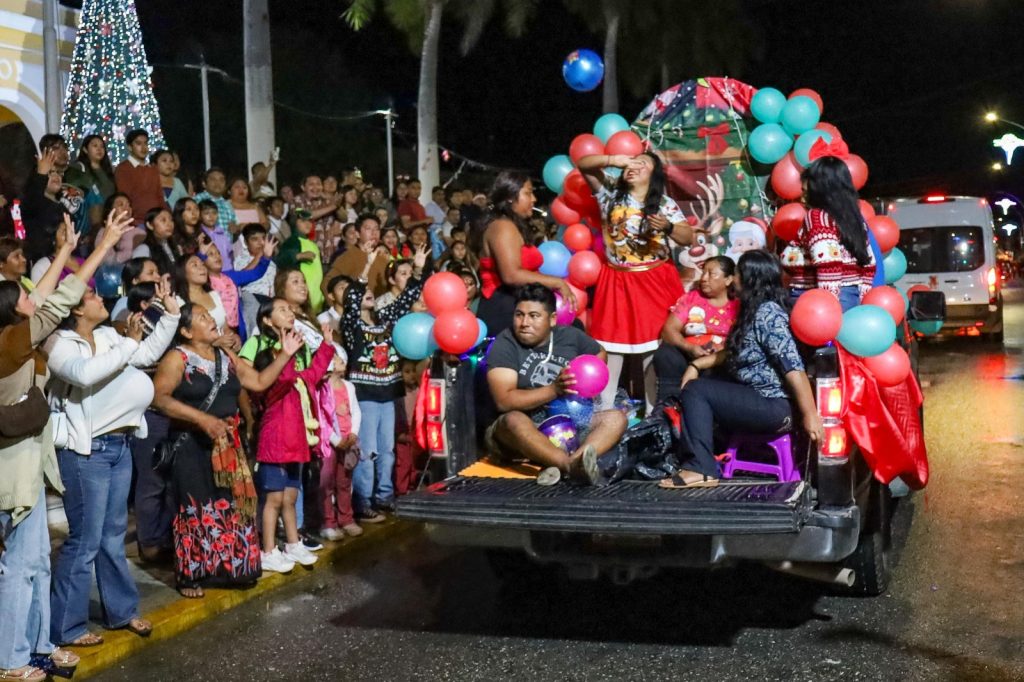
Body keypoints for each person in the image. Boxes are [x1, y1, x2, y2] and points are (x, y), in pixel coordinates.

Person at [0, 212, 131, 681]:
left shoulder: (16, 337)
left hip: (30, 461)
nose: (31, 298)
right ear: (12, 310)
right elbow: (59, 300)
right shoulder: (10, 344)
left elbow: (44, 297)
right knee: (19, 565)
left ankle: (39, 646)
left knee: (36, 560)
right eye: (22, 297)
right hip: (10, 468)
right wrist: (103, 246)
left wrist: (64, 251)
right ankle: (11, 660)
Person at [44, 221, 178, 646]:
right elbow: (85, 375)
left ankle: (122, 611)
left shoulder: (106, 334)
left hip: (119, 447)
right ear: (74, 310)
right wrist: (127, 344)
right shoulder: (59, 345)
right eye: (91, 297)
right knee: (84, 541)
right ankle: (67, 627)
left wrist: (171, 314)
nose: (99, 298)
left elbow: (147, 351)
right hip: (87, 454)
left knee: (112, 538)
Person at [151, 303, 304, 596]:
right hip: (192, 446)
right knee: (196, 509)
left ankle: (233, 567)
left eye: (209, 315)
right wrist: (202, 419)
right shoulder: (177, 358)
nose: (211, 319)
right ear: (186, 331)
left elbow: (258, 382)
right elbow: (159, 398)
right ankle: (192, 576)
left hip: (227, 445)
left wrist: (285, 354)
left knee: (231, 505)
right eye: (202, 317)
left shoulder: (226, 355)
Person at [660, 250, 823, 489]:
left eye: (737, 273)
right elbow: (733, 353)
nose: (734, 279)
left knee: (696, 391)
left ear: (750, 277)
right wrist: (696, 364)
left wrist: (810, 414)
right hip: (761, 399)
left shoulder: (768, 313)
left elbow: (793, 367)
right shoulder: (753, 310)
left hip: (774, 406)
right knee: (704, 383)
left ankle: (700, 468)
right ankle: (709, 456)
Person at [576, 151, 695, 411]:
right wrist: (613, 160)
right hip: (617, 281)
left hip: (654, 280)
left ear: (654, 174)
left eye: (642, 163)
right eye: (631, 162)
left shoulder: (664, 203)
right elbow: (583, 164)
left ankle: (653, 415)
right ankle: (603, 413)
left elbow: (689, 238)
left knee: (653, 350)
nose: (633, 166)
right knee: (610, 347)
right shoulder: (610, 193)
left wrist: (668, 227)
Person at [485, 284, 626, 484]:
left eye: (534, 316)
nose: (524, 323)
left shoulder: (569, 336)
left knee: (616, 419)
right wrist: (554, 390)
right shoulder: (505, 344)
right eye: (519, 315)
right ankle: (569, 465)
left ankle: (579, 460)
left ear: (552, 319)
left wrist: (585, 382)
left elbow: (599, 352)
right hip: (526, 428)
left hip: (569, 423)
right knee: (513, 420)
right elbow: (504, 401)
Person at [341, 246, 427, 522]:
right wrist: (367, 266)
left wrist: (417, 269)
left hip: (388, 393)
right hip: (366, 395)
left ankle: (384, 496)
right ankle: (363, 501)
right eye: (361, 292)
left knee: (387, 451)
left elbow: (407, 298)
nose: (366, 293)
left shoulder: (386, 320)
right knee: (367, 452)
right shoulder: (352, 326)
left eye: (369, 291)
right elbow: (353, 299)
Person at [251, 298, 335, 572]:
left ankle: (292, 543)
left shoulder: (294, 362)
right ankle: (268, 550)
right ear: (266, 320)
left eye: (290, 309)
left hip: (296, 443)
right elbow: (276, 385)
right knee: (273, 500)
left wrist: (326, 345)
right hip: (275, 442)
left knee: (290, 498)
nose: (290, 313)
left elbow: (311, 375)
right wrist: (284, 355)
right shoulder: (266, 357)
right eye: (282, 310)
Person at [473, 172, 573, 336]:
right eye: (528, 193)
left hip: (518, 306)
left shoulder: (512, 225)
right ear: (510, 197)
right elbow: (511, 275)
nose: (533, 199)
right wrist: (556, 282)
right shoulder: (502, 227)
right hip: (504, 310)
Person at [782, 155, 876, 312]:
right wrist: (860, 299)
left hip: (817, 301)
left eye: (806, 192)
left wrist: (828, 307)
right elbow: (869, 264)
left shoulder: (818, 217)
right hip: (848, 298)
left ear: (820, 190)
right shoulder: (852, 218)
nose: (802, 199)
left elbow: (828, 263)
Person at [652, 256, 738, 404]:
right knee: (666, 354)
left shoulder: (738, 305)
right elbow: (669, 330)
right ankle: (667, 406)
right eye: (703, 272)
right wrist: (689, 347)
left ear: (728, 279)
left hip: (719, 359)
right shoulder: (692, 299)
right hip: (688, 353)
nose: (704, 278)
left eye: (712, 274)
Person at [318, 345, 362, 541]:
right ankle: (328, 522)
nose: (341, 359)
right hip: (330, 443)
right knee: (326, 482)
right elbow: (321, 417)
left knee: (344, 481)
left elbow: (356, 411)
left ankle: (346, 519)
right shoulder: (322, 388)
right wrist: (335, 440)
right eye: (336, 357)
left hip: (347, 440)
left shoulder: (349, 387)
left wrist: (353, 433)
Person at [204, 240, 273, 339]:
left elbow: (255, 273)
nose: (217, 256)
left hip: (238, 331)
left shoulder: (230, 276)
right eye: (210, 254)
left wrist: (266, 257)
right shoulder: (203, 283)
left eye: (218, 253)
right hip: (217, 334)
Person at [322, 214, 389, 298]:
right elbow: (326, 284)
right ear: (357, 234)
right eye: (368, 229)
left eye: (377, 229)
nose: (374, 233)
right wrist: (341, 306)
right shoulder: (349, 256)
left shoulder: (382, 258)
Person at [275, 209, 324, 313]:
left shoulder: (313, 244)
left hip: (317, 296)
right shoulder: (293, 241)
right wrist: (299, 256)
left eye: (309, 221)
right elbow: (281, 261)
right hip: (302, 296)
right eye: (303, 221)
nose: (308, 224)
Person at [66, 134, 116, 232]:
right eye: (95, 146)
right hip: (88, 220)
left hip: (108, 219)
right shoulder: (78, 168)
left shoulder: (109, 170)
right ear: (85, 149)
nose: (99, 149)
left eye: (102, 146)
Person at [113, 129, 163, 224]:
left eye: (145, 143)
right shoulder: (123, 169)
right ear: (130, 147)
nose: (143, 147)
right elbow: (124, 199)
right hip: (136, 222)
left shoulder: (153, 169)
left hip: (156, 221)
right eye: (138, 143)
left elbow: (159, 196)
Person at [292, 175, 338, 264]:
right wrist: (333, 206)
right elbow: (306, 215)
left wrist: (334, 201)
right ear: (303, 187)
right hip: (307, 255)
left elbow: (344, 217)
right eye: (311, 184)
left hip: (328, 253)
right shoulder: (297, 200)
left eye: (318, 184)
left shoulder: (326, 200)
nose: (316, 187)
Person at [193, 168, 239, 247]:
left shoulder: (227, 204)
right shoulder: (196, 201)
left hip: (226, 250)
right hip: (206, 249)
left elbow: (234, 227)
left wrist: (235, 229)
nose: (218, 183)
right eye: (213, 179)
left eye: (221, 180)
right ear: (204, 184)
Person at [110, 257, 161, 322]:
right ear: (135, 280)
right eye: (150, 273)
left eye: (158, 272)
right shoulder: (124, 302)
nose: (158, 276)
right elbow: (119, 325)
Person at [132, 206, 177, 274]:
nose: (169, 224)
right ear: (150, 225)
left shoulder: (175, 245)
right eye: (163, 220)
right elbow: (140, 275)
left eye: (171, 220)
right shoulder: (144, 249)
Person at [197, 199, 234, 274]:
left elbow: (230, 253)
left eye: (214, 213)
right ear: (200, 216)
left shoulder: (221, 232)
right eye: (206, 213)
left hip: (228, 270)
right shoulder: (200, 234)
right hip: (212, 273)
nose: (211, 216)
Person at [317, 274, 352, 343]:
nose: (347, 291)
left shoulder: (360, 315)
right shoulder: (322, 319)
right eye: (342, 288)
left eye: (350, 288)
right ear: (332, 296)